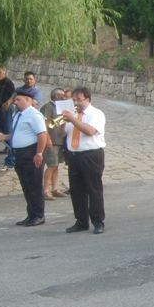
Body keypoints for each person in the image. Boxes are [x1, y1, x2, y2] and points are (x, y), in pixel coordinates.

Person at [0, 88, 49, 227]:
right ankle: (30, 214)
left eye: (18, 99)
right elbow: (16, 133)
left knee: (34, 185)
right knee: (26, 186)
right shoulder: (19, 115)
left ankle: (38, 215)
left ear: (28, 100)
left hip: (31, 152)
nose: (15, 102)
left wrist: (39, 153)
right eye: (15, 99)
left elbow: (42, 134)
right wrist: (4, 137)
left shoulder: (34, 115)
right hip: (19, 154)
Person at [62, 87, 107, 235]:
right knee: (76, 191)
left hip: (91, 155)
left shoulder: (96, 114)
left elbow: (90, 131)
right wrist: (63, 122)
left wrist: (73, 119)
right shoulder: (73, 115)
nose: (76, 103)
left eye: (79, 100)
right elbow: (64, 133)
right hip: (74, 155)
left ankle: (98, 221)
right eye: (74, 100)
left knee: (94, 189)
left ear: (87, 99)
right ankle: (81, 221)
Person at [40, 88, 68, 201]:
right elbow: (43, 123)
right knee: (51, 165)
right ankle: (46, 190)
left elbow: (56, 123)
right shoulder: (48, 107)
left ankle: (55, 188)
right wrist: (47, 139)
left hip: (59, 141)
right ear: (56, 96)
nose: (65, 98)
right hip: (51, 141)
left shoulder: (60, 108)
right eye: (62, 96)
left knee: (55, 166)